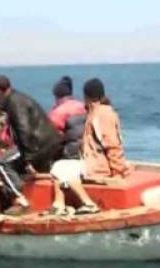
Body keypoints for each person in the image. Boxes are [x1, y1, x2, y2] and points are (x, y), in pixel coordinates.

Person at [45, 78, 129, 215]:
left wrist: (117, 173)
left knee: (62, 169)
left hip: (98, 165)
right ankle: (59, 204)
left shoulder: (101, 115)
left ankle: (88, 203)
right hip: (92, 161)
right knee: (60, 166)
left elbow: (112, 145)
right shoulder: (95, 112)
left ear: (86, 96)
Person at [0, 75, 64, 174]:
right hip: (48, 143)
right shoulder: (19, 98)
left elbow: (24, 130)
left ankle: (18, 189)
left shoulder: (14, 103)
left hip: (39, 146)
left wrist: (28, 161)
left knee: (1, 163)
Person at [47, 76, 87, 159]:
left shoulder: (58, 112)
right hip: (86, 151)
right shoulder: (84, 106)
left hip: (68, 154)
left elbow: (48, 137)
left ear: (57, 96)